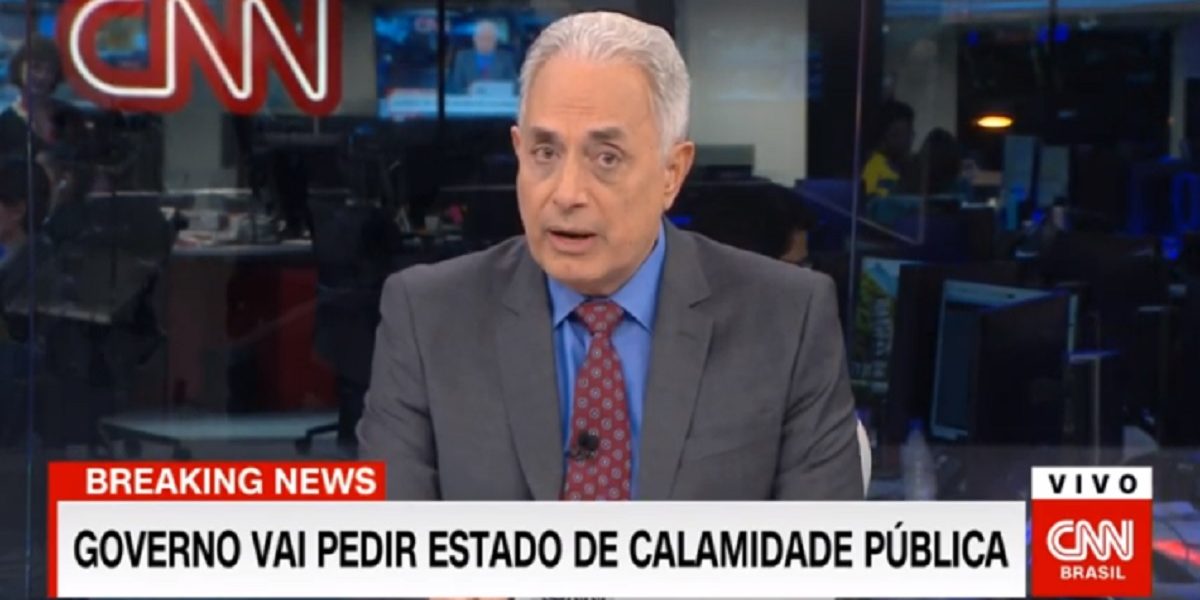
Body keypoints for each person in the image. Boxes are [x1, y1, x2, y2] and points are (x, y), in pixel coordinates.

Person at [358, 12, 862, 501]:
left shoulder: (788, 319)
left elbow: (819, 549)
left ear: (672, 172)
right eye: (545, 153)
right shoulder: (427, 316)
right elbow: (387, 543)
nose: (566, 193)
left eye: (606, 158)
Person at [862, 100, 915, 198]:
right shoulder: (873, 166)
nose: (908, 140)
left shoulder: (909, 167)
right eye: (898, 134)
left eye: (910, 132)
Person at [447, 20, 517, 94]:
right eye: (482, 38)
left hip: (497, 100)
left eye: (489, 38)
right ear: (475, 39)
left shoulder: (506, 58)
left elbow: (514, 86)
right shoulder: (462, 57)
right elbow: (454, 86)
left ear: (495, 40)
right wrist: (467, 91)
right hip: (469, 100)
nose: (485, 42)